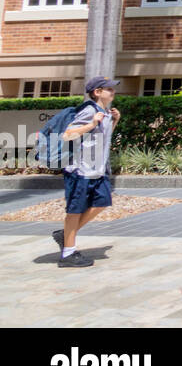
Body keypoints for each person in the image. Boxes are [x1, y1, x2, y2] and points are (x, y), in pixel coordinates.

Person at [54, 76, 120, 268]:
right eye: (109, 89)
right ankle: (67, 254)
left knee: (102, 202)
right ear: (97, 92)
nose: (113, 92)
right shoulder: (88, 110)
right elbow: (67, 135)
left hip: (98, 170)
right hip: (80, 169)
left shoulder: (105, 112)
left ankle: (64, 235)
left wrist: (115, 120)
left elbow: (102, 138)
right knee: (75, 210)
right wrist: (91, 124)